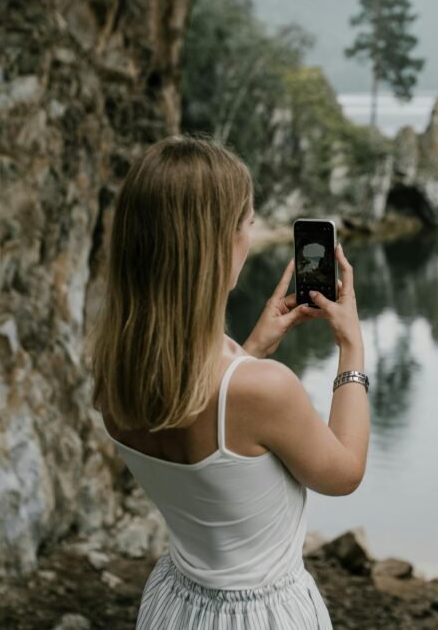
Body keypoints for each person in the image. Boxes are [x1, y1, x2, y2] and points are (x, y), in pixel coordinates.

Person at [89, 135, 368, 629]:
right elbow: (343, 473)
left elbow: (201, 415)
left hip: (175, 606)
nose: (249, 237)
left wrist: (250, 349)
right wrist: (352, 346)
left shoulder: (114, 370)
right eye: (248, 225)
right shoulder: (263, 392)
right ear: (218, 245)